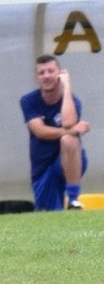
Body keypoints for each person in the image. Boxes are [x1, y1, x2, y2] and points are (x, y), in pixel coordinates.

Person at [21, 55, 89, 210]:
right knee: (48, 215)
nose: (46, 76)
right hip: (42, 166)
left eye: (51, 71)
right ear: (37, 77)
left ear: (59, 73)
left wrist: (67, 87)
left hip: (70, 159)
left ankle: (73, 199)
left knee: (68, 139)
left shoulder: (73, 101)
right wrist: (73, 130)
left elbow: (68, 122)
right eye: (42, 73)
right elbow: (40, 131)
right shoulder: (29, 100)